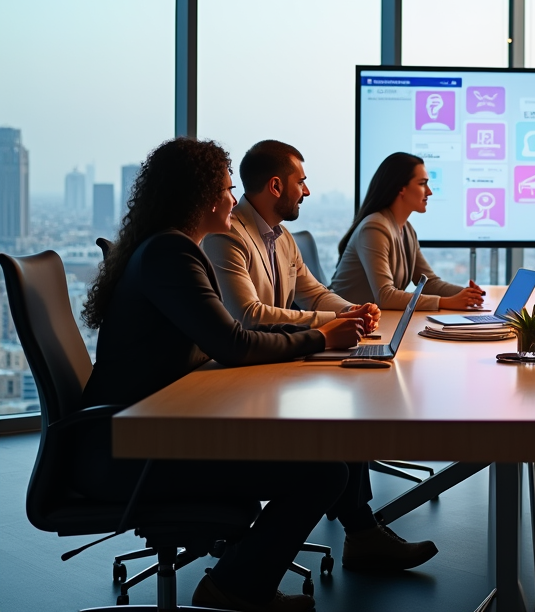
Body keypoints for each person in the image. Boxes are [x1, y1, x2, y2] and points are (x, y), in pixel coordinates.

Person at [76, 139, 434, 612]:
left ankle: (266, 572)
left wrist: (333, 326)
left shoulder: (171, 249)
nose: (233, 197)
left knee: (331, 453)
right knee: (322, 472)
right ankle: (233, 590)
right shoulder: (171, 255)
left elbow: (227, 338)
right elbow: (235, 339)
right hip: (135, 450)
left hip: (155, 428)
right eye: (226, 189)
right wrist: (323, 338)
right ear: (203, 196)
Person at [204, 140, 381, 331]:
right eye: (300, 182)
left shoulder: (283, 237)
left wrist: (351, 309)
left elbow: (315, 295)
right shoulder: (227, 237)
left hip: (278, 350)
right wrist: (337, 318)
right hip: (247, 358)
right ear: (276, 187)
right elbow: (248, 315)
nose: (306, 191)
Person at [331, 152, 485, 310]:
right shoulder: (374, 228)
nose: (429, 191)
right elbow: (385, 296)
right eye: (422, 183)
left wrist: (466, 294)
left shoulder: (406, 230)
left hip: (372, 321)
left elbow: (429, 282)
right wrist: (445, 302)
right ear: (401, 188)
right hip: (345, 322)